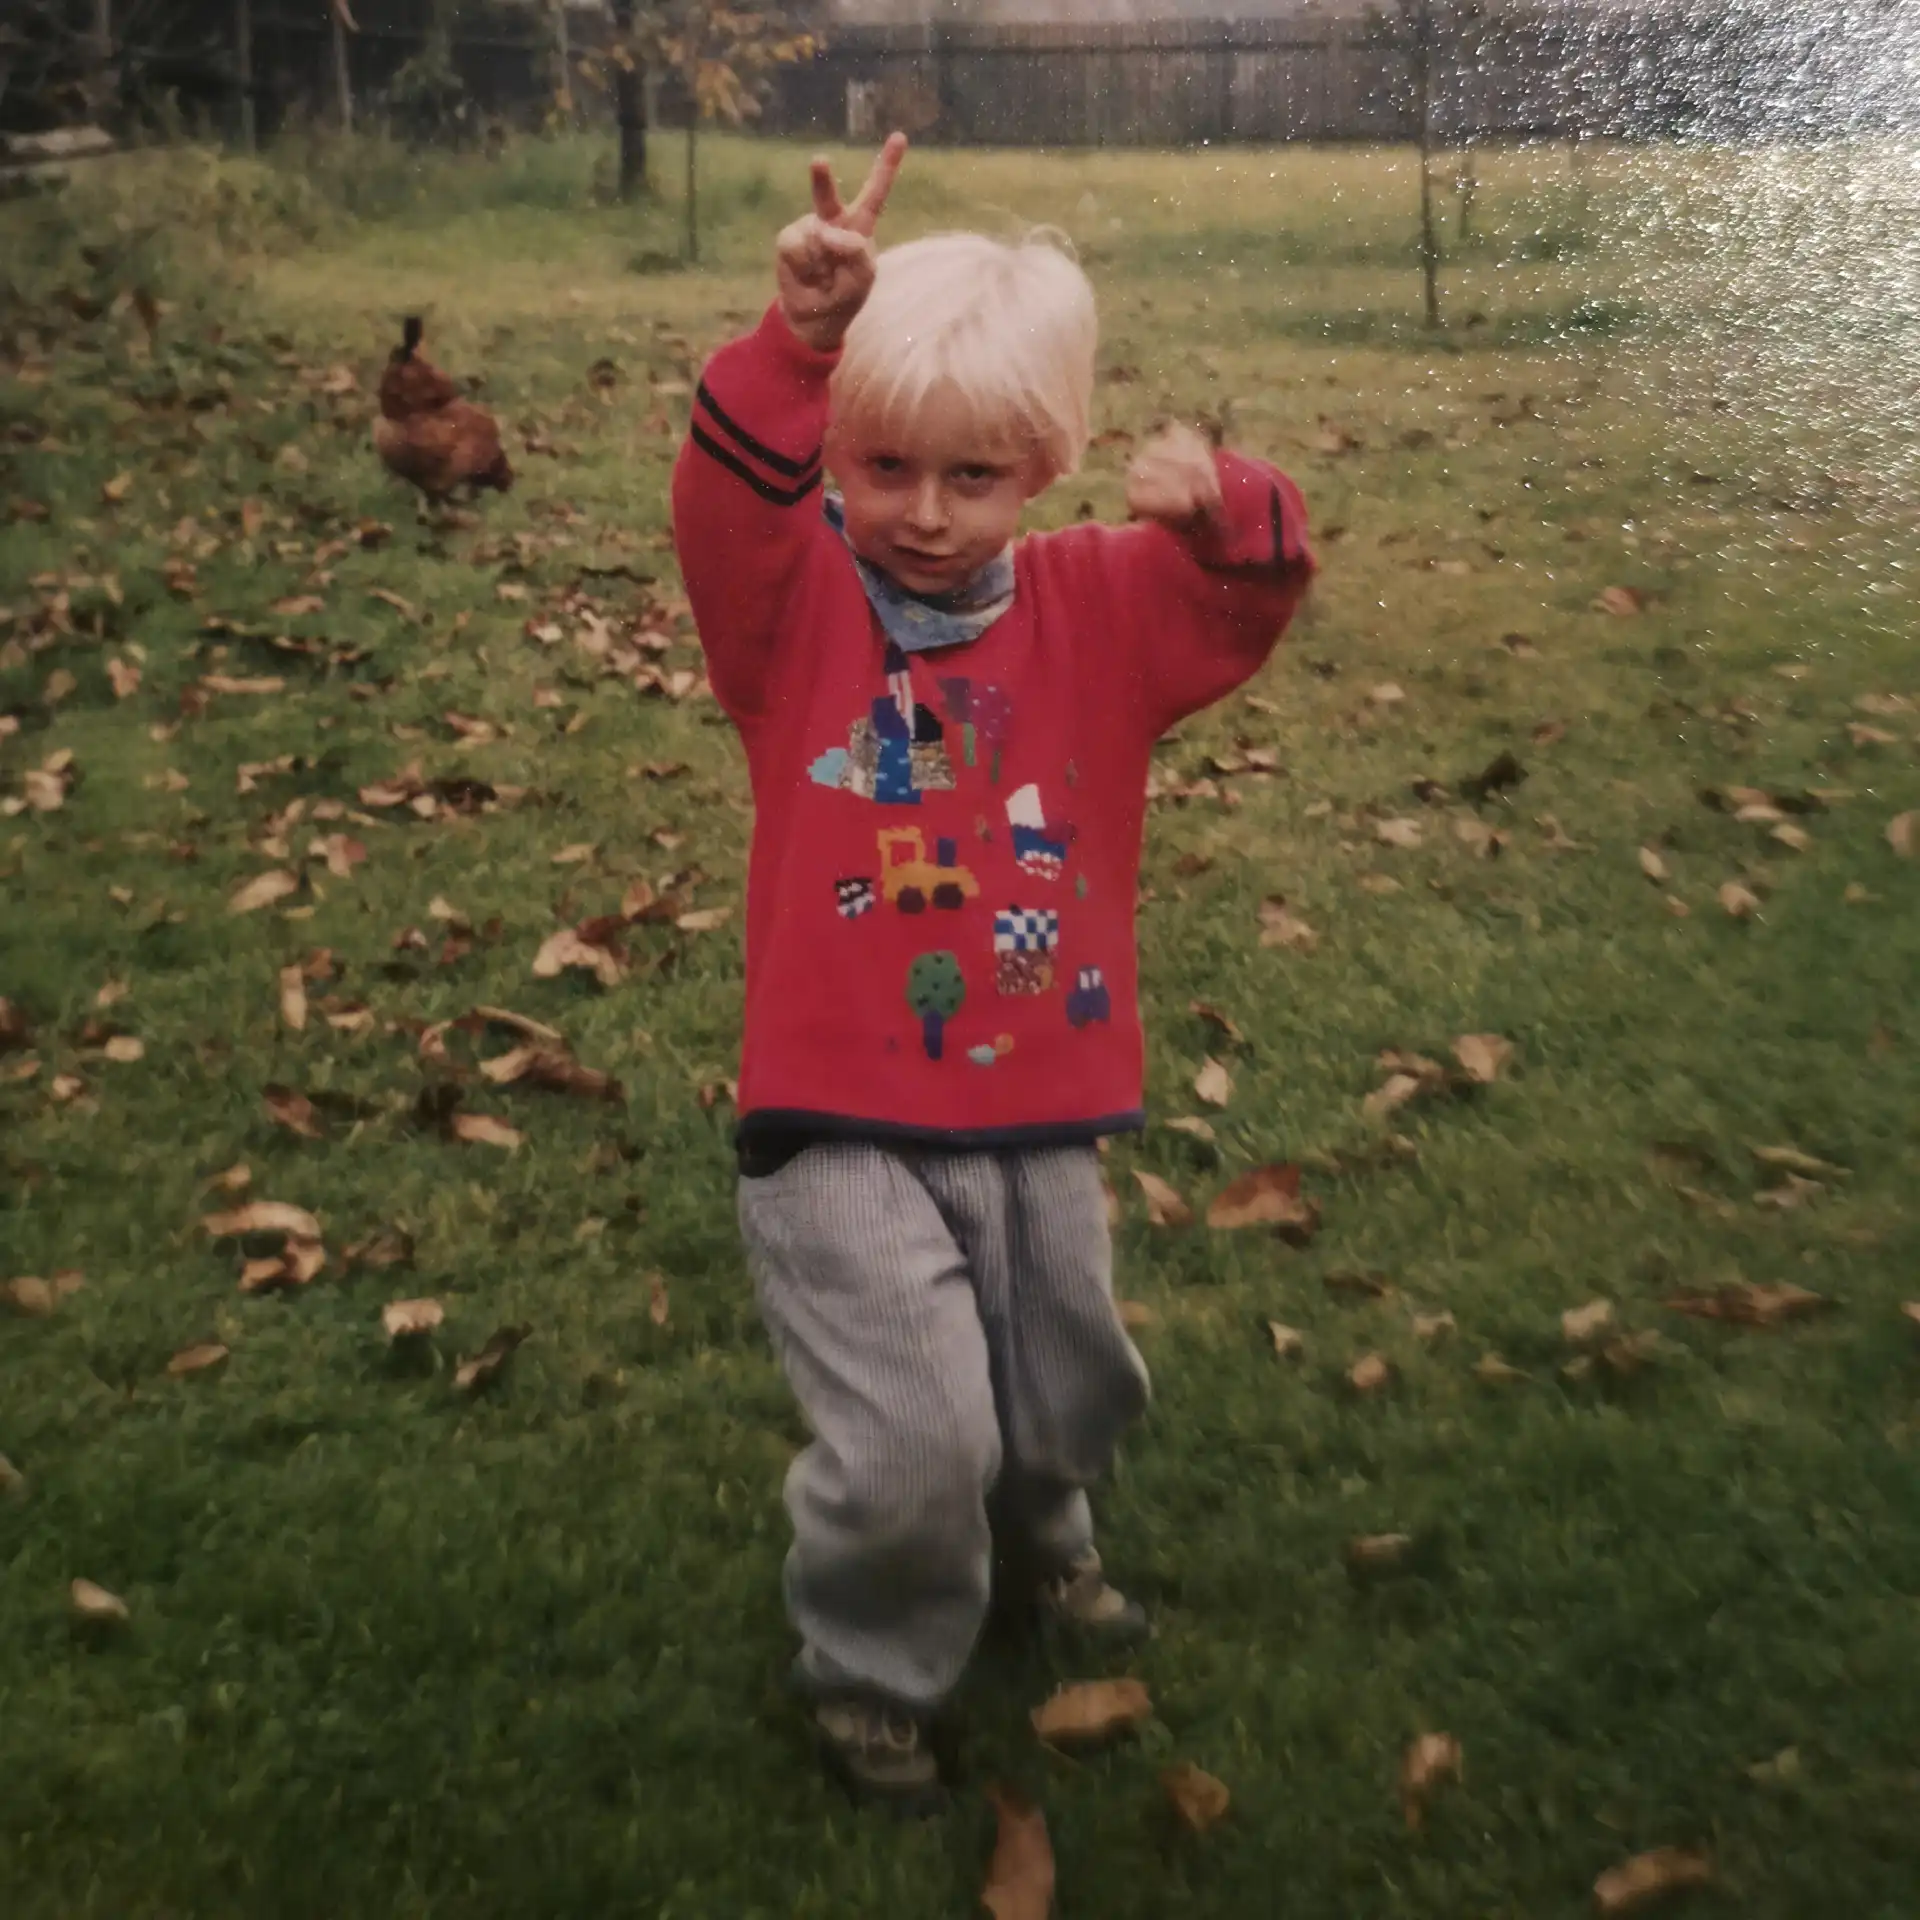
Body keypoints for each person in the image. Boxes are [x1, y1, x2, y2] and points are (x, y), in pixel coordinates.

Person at [671, 132, 1315, 1813]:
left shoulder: (1099, 606)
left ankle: (1047, 1534)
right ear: (836, 452)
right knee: (916, 1433)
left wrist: (1225, 501)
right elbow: (727, 511)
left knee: (1058, 1380)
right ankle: (874, 1672)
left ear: (1044, 463)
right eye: (882, 465)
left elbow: (1243, 598)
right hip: (835, 1112)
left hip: (1042, 1097)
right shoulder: (795, 616)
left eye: (973, 475)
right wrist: (798, 344)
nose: (924, 512)